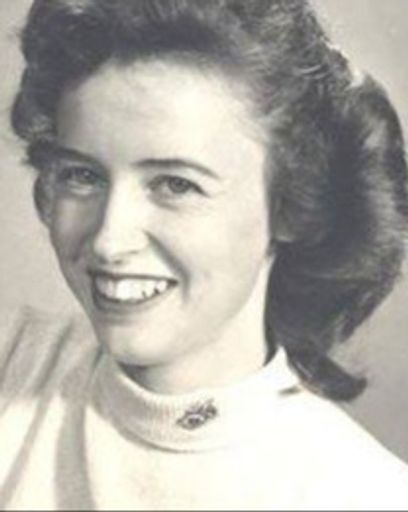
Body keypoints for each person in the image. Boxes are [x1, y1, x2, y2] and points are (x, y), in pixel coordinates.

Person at [1, 0, 408, 509]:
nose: (108, 240)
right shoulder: (12, 362)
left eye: (176, 184)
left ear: (292, 206)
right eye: (82, 175)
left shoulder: (362, 494)